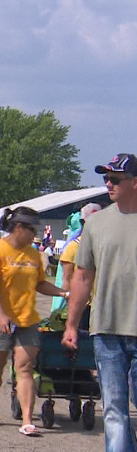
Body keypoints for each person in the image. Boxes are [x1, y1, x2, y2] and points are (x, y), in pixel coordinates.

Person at [63, 153, 137, 451]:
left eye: (115, 178)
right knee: (114, 410)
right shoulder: (96, 224)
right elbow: (82, 278)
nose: (109, 184)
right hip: (106, 330)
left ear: (135, 182)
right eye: (106, 178)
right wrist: (71, 324)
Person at [0, 206, 66, 436]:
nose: (34, 234)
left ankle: (27, 420)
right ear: (18, 228)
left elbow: (40, 284)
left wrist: (64, 293)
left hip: (27, 319)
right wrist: (1, 314)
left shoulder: (33, 254)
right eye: (31, 229)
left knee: (25, 368)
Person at [51, 203, 99, 314]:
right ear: (83, 222)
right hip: (82, 303)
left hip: (100, 303)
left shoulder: (104, 245)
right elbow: (66, 279)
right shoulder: (73, 246)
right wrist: (69, 301)